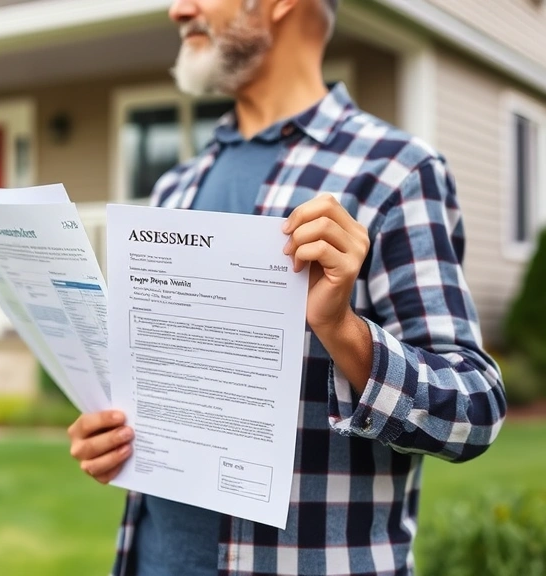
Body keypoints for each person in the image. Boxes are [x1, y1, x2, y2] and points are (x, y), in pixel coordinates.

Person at [66, 0, 508, 575]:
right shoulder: (176, 187)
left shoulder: (396, 172)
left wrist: (340, 328)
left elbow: (476, 410)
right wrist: (113, 437)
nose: (178, 10)